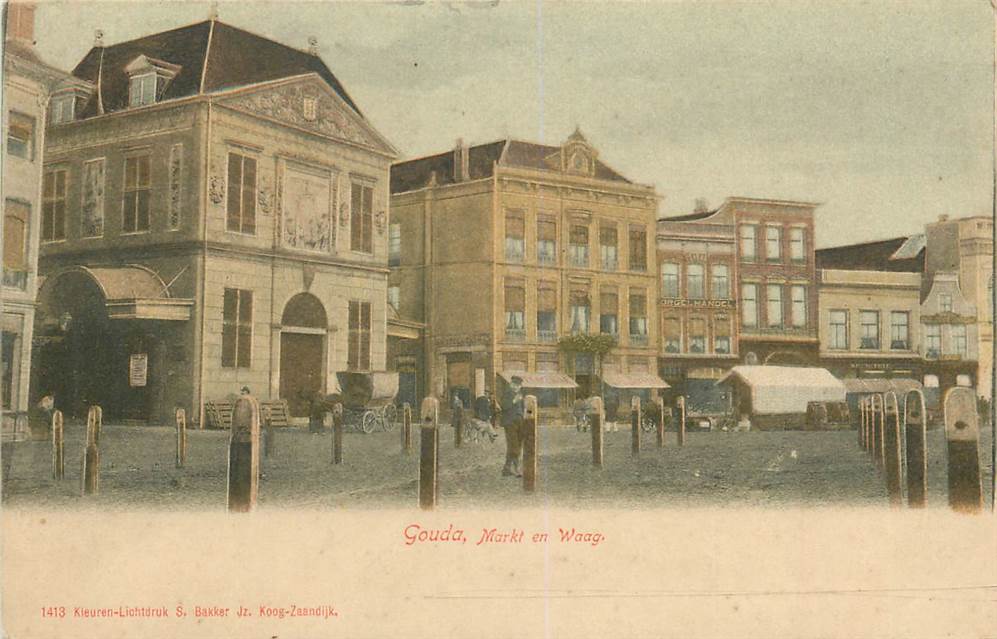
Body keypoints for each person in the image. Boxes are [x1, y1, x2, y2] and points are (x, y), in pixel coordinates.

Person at [500, 376, 525, 477]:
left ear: (520, 386)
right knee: (514, 446)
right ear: (510, 384)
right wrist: (514, 400)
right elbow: (504, 406)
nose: (515, 387)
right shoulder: (507, 394)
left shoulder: (520, 395)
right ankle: (516, 469)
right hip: (510, 422)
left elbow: (523, 408)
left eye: (518, 385)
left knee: (517, 445)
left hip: (520, 422)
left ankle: (506, 469)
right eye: (514, 384)